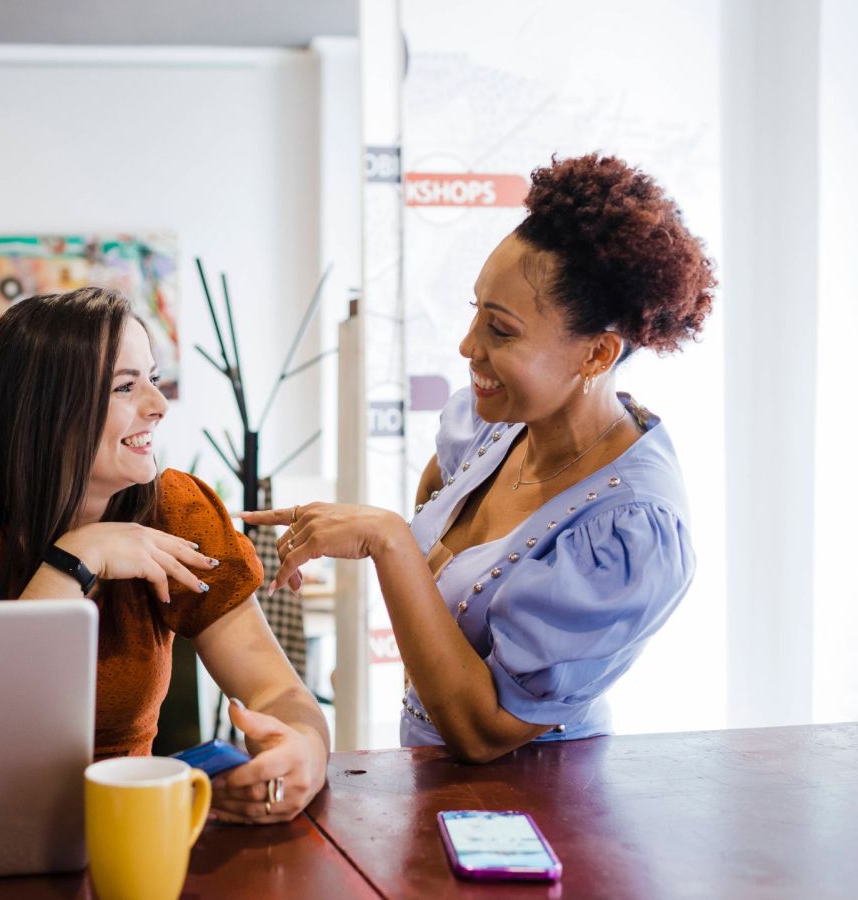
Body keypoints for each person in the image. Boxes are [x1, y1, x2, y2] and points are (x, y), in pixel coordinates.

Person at [245, 153, 714, 764]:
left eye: (501, 330)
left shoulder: (630, 533)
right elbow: (431, 514)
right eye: (475, 313)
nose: (469, 347)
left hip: (543, 809)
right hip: (435, 785)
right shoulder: (491, 426)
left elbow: (484, 731)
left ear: (597, 354)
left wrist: (387, 540)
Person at [0, 287, 328, 823]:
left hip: (128, 831)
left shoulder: (174, 511)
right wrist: (74, 562)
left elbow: (277, 692)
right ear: (43, 411)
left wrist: (304, 754)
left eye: (153, 379)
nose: (157, 405)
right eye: (125, 387)